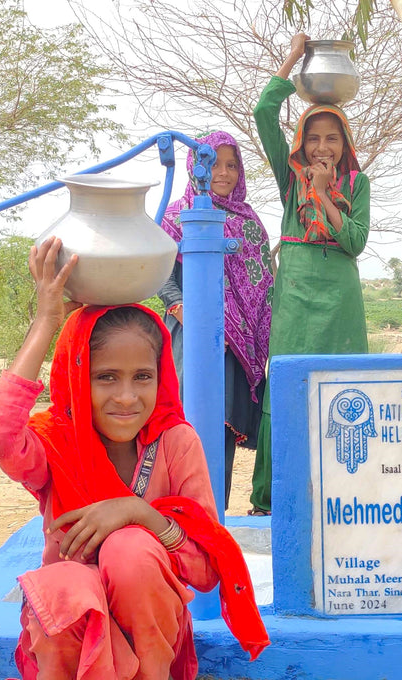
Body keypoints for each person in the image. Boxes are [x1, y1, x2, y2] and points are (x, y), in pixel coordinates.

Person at [0, 236, 268, 680]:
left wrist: (138, 514)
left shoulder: (175, 442)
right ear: (76, 375)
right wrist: (45, 323)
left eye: (142, 377)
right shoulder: (57, 441)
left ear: (162, 376)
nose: (127, 397)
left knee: (129, 551)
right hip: (69, 639)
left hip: (151, 640)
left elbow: (207, 569)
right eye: (106, 377)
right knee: (64, 585)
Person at [250, 32, 371, 514]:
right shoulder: (288, 175)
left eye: (332, 137)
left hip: (341, 295)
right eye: (314, 136)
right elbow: (263, 113)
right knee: (284, 384)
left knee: (345, 386)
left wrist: (324, 195)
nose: (323, 145)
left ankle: (345, 489)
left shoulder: (357, 183)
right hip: (296, 292)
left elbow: (355, 241)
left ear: (344, 144)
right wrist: (293, 58)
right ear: (302, 140)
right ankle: (269, 496)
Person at [157, 130, 273, 509]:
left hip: (235, 348)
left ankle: (214, 519)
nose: (223, 172)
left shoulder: (250, 224)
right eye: (215, 163)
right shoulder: (175, 217)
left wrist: (238, 329)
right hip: (188, 338)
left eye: (232, 165)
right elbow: (160, 275)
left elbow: (262, 286)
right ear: (196, 166)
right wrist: (186, 311)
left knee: (222, 429)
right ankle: (178, 520)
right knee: (183, 425)